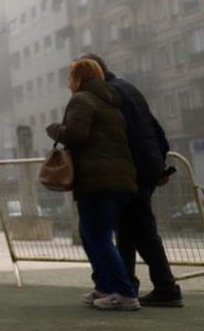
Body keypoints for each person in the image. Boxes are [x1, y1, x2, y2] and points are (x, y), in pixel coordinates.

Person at [79, 53, 183, 308]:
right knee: (128, 230)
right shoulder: (128, 89)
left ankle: (161, 288)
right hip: (145, 166)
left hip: (133, 169)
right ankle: (128, 287)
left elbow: (125, 135)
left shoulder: (111, 95)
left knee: (141, 231)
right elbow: (153, 127)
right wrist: (158, 165)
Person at [46, 58, 139, 311]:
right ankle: (105, 287)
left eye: (70, 78)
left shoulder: (82, 100)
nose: (68, 83)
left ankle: (125, 292)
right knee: (92, 235)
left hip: (97, 181)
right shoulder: (110, 102)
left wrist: (54, 129)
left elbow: (76, 136)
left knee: (98, 237)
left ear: (78, 78)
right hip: (118, 179)